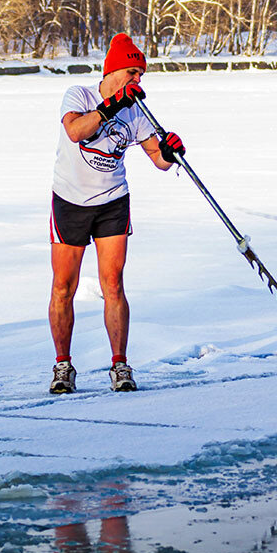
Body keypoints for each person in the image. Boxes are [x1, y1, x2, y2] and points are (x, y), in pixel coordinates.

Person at [48, 33, 186, 394]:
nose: (138, 81)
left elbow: (158, 159)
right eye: (133, 73)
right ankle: (63, 366)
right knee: (64, 287)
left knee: (113, 284)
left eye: (141, 75)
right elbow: (76, 131)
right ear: (114, 71)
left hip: (112, 202)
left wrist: (170, 151)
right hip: (70, 202)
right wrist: (111, 107)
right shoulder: (79, 94)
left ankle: (119, 365)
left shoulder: (137, 111)